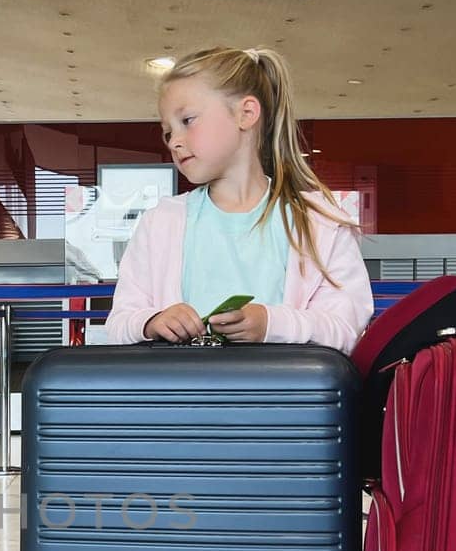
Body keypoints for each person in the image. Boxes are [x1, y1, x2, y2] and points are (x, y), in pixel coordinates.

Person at [105, 46, 373, 352]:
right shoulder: (160, 222)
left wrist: (271, 324)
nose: (175, 141)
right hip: (180, 398)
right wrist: (151, 321)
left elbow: (347, 329)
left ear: (246, 114)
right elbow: (118, 323)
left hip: (283, 398)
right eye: (167, 132)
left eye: (188, 120)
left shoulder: (319, 222)